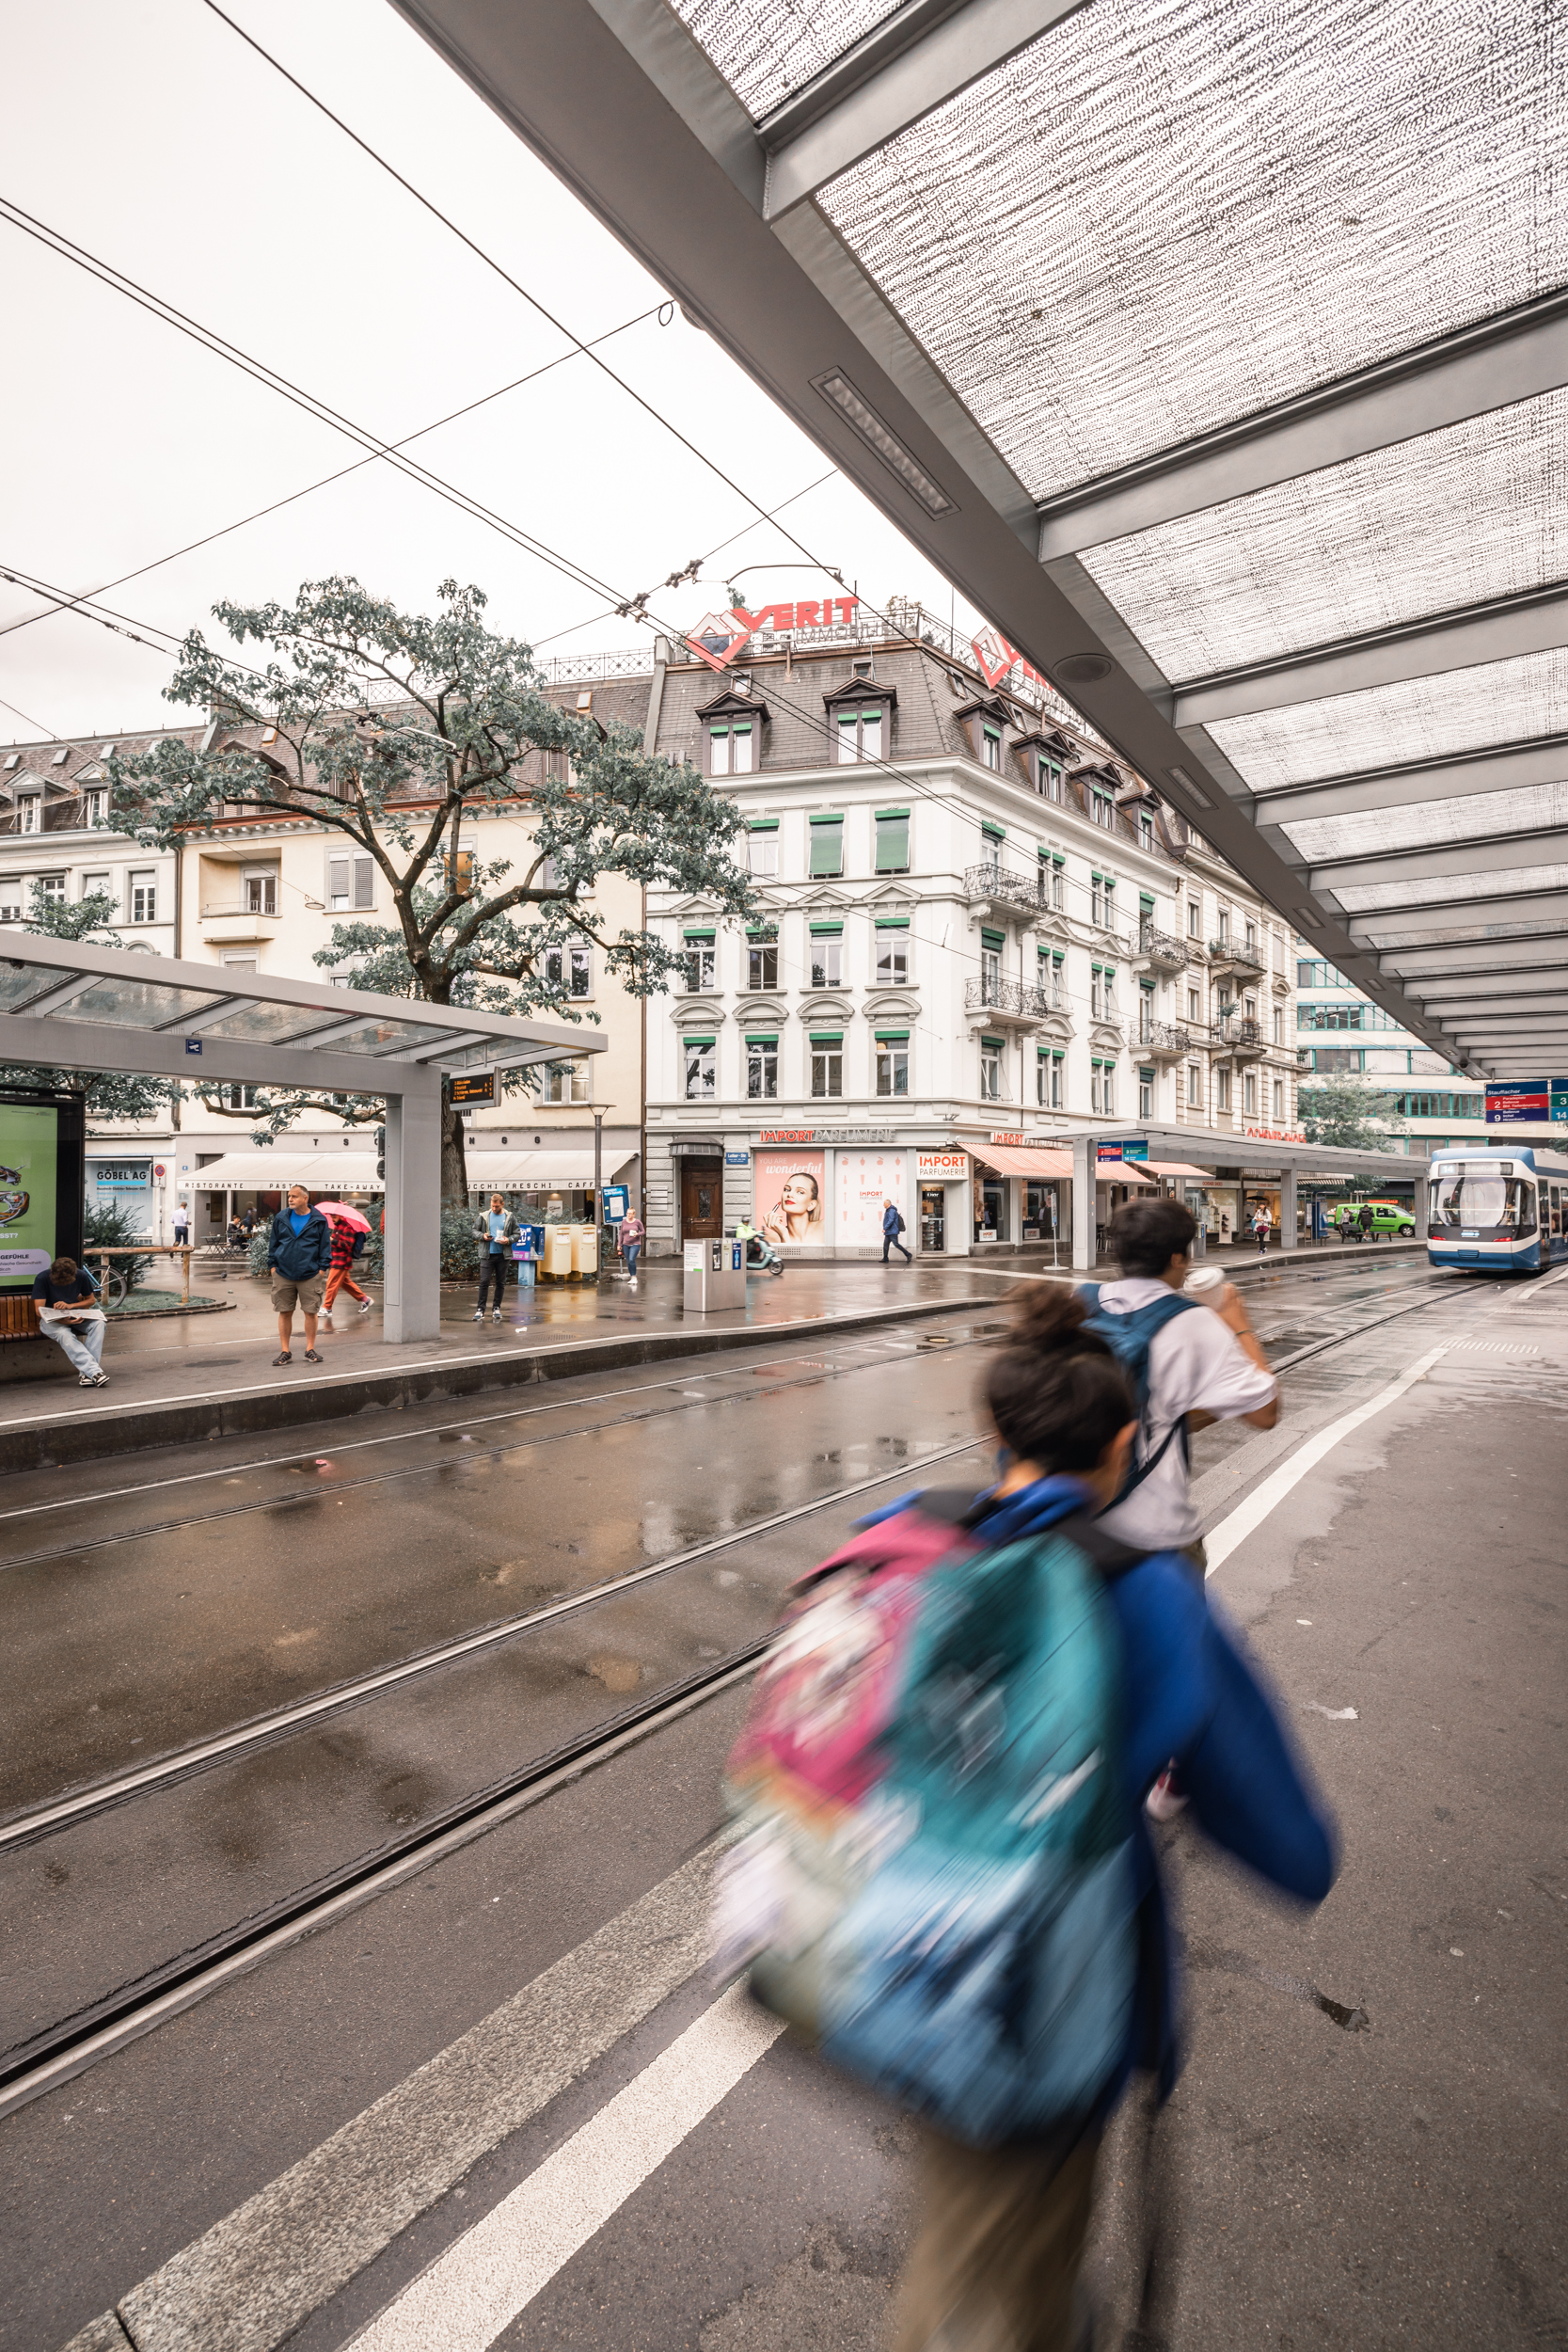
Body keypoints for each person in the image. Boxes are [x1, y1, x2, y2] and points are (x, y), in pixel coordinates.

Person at [866, 1292, 1336, 2350]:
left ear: (991, 1437)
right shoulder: (1147, 1597)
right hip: (1042, 1994)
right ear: (1125, 1443)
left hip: (886, 1944)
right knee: (997, 2275)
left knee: (967, 2232)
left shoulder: (898, 1539)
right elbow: (1294, 1848)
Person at [267, 1184, 332, 1366]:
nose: (290, 1199)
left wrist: (321, 1270)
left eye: (294, 1196)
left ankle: (309, 1349)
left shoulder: (318, 1220)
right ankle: (285, 1351)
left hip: (310, 1274)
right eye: (289, 1196)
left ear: (305, 1198)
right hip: (283, 1273)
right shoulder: (281, 1218)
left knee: (310, 1312)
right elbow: (273, 1244)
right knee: (285, 1311)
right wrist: (273, 1267)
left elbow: (324, 1247)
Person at [32, 1256, 109, 1387]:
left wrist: (70, 1306)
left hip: (74, 1315)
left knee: (99, 1324)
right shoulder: (42, 1278)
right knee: (64, 1334)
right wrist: (63, 1321)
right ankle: (93, 1372)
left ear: (74, 1274)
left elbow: (91, 1300)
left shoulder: (81, 1275)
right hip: (51, 1320)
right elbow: (39, 1310)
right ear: (52, 1271)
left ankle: (87, 1374)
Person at [472, 1193, 518, 1322]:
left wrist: (508, 1240)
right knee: (484, 1282)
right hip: (487, 1255)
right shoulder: (484, 1216)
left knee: (500, 1283)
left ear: (502, 1204)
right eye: (492, 1206)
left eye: (496, 1206)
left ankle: (496, 1308)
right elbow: (474, 1231)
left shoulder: (509, 1217)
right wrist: (483, 1237)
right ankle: (480, 1310)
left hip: (503, 1255)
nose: (494, 1208)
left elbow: (517, 1233)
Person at [322, 1214, 372, 1319]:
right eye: (331, 1216)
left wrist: (332, 1240)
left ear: (341, 1216)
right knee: (345, 1283)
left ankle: (327, 1308)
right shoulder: (337, 1227)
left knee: (331, 1284)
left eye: (334, 1216)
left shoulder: (347, 1227)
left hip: (342, 1261)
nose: (332, 1218)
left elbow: (348, 1245)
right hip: (336, 1259)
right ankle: (365, 1300)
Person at [617, 1205, 644, 1279]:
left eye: (630, 1214)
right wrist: (619, 1244)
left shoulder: (637, 1222)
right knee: (628, 1261)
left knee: (632, 1259)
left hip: (635, 1244)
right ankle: (631, 1275)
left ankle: (634, 1276)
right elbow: (621, 1234)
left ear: (634, 1214)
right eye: (627, 1213)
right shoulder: (624, 1222)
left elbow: (643, 1232)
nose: (628, 1215)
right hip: (626, 1244)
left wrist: (637, 1234)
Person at [881, 1197, 911, 1264]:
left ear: (887, 1204)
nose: (883, 1205)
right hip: (889, 1231)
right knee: (885, 1245)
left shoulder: (891, 1210)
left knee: (896, 1244)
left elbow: (891, 1220)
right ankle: (885, 1258)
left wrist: (885, 1228)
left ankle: (908, 1254)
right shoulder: (889, 1210)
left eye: (884, 1203)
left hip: (892, 1231)